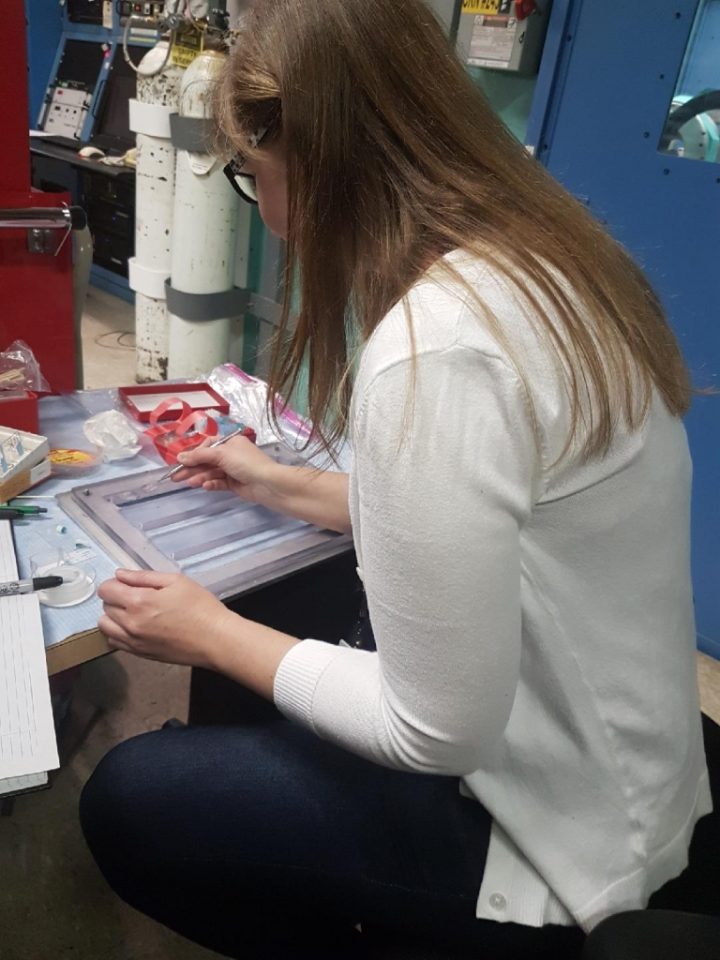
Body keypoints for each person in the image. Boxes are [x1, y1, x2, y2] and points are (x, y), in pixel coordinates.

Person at [79, 1, 712, 958]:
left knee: (129, 799)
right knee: (300, 596)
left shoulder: (439, 347)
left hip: (549, 843)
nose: (278, 223)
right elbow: (475, 519)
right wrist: (270, 481)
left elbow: (434, 731)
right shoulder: (544, 261)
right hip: (623, 756)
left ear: (328, 172)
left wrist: (207, 633)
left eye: (260, 182)